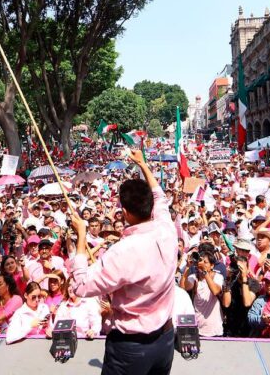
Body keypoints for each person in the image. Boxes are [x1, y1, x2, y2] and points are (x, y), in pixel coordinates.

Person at [70, 149, 177, 375]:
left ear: (125, 213)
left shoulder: (122, 251)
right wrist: (142, 164)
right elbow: (159, 195)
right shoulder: (167, 228)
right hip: (166, 341)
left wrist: (81, 235)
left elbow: (81, 286)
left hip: (131, 348)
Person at [180, 251, 224, 337]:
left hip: (214, 329)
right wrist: (188, 267)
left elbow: (215, 291)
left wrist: (204, 272)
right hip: (197, 328)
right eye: (201, 261)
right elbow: (183, 288)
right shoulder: (194, 277)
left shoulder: (218, 277)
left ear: (212, 265)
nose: (202, 264)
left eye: (205, 262)